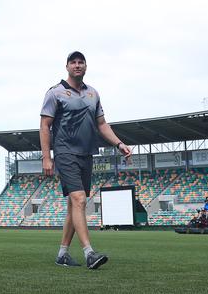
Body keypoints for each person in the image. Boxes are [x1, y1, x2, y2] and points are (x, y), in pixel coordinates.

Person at [40, 51, 132, 270]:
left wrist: (119, 144)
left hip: (87, 154)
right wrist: (47, 157)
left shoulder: (93, 93)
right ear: (67, 66)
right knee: (80, 199)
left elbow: (102, 124)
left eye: (81, 62)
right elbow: (45, 126)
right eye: (73, 62)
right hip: (65, 152)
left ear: (86, 66)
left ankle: (62, 254)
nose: (77, 65)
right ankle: (89, 253)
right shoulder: (55, 93)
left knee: (75, 204)